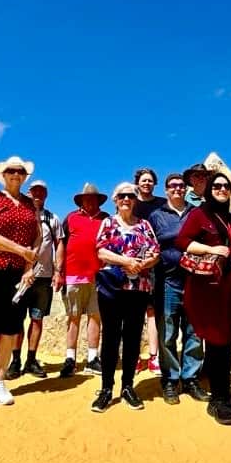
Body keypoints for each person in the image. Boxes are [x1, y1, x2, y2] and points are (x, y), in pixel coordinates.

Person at [176, 172, 231, 425]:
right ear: (209, 189)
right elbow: (182, 241)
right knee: (217, 341)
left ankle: (225, 393)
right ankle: (217, 399)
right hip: (209, 288)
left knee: (227, 341)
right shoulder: (200, 215)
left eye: (225, 186)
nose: (221, 189)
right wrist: (211, 249)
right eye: (217, 186)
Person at [0, 156, 40, 408]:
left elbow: (38, 237)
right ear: (4, 175)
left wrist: (28, 265)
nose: (16, 174)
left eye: (20, 171)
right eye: (11, 171)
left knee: (11, 328)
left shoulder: (29, 204)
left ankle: (0, 380)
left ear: (24, 177)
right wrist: (22, 251)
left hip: (19, 274)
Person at [91, 182, 160, 412]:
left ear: (136, 199)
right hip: (112, 288)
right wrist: (126, 261)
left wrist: (143, 264)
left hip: (138, 288)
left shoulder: (144, 225)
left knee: (132, 338)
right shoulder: (108, 223)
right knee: (111, 337)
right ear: (116, 200)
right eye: (122, 196)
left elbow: (155, 252)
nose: (126, 200)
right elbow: (101, 251)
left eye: (130, 196)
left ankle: (128, 386)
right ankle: (106, 388)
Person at [148, 173, 210, 404]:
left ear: (186, 189)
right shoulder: (157, 216)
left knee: (194, 332)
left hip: (195, 282)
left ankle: (191, 378)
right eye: (172, 186)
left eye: (181, 186)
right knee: (168, 334)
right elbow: (149, 246)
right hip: (167, 282)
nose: (177, 189)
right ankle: (171, 380)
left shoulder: (197, 213)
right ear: (166, 190)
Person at [6, 180, 64, 380]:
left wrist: (58, 271)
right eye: (34, 191)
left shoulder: (52, 218)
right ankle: (15, 360)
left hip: (43, 277)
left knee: (37, 318)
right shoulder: (21, 213)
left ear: (46, 195)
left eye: (42, 192)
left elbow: (59, 244)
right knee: (16, 319)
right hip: (19, 276)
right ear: (28, 192)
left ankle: (31, 359)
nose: (38, 194)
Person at [58, 183, 108, 378]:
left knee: (95, 316)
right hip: (73, 275)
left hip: (99, 276)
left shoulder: (106, 219)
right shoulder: (70, 218)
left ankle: (93, 358)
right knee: (73, 316)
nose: (90, 201)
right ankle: (70, 359)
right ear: (81, 201)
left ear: (98, 200)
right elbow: (61, 244)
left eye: (93, 198)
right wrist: (58, 271)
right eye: (86, 198)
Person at [132, 167, 165, 375]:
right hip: (132, 264)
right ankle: (134, 357)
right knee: (134, 312)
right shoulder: (130, 202)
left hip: (155, 263)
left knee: (152, 311)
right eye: (143, 180)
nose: (146, 183)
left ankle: (154, 357)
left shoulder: (162, 204)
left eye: (150, 180)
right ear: (138, 183)